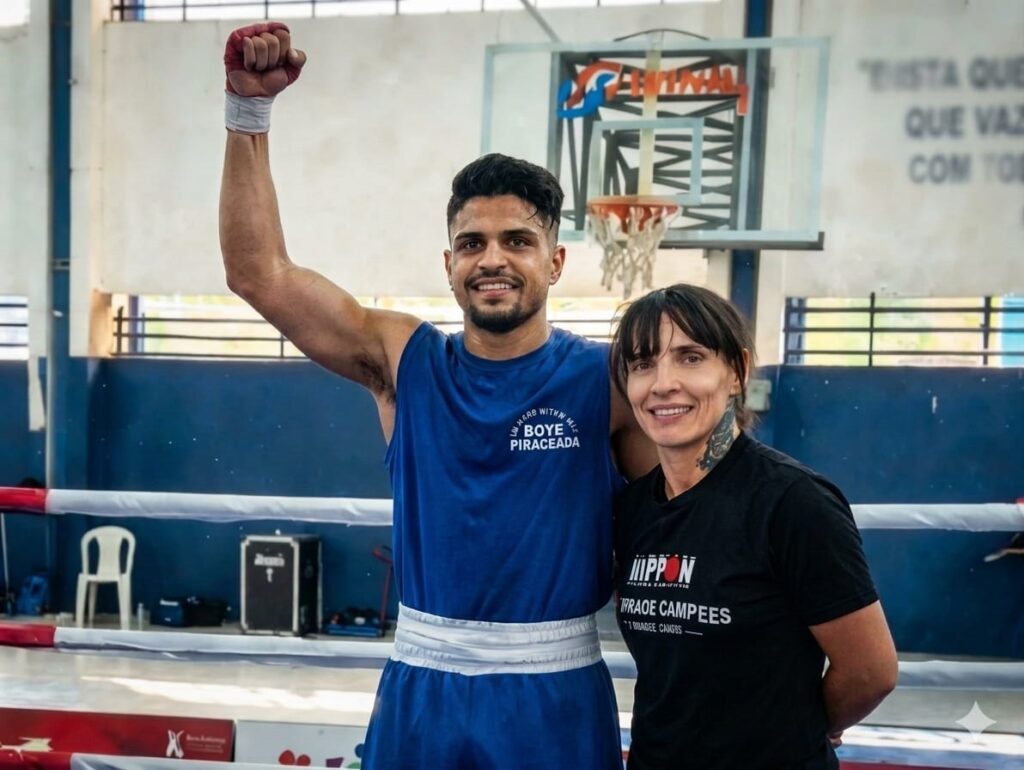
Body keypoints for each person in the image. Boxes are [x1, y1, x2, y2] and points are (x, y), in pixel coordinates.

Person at [218, 22, 656, 769]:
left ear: (555, 261)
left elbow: (698, 518)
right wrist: (247, 111)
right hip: (422, 684)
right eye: (473, 243)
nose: (493, 260)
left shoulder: (610, 380)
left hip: (555, 690)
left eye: (517, 241)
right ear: (448, 261)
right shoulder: (402, 359)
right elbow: (260, 274)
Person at [609, 284, 898, 770]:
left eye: (690, 357)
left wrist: (801, 728)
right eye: (642, 364)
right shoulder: (635, 508)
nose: (662, 383)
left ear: (738, 372)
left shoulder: (793, 503)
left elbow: (871, 671)